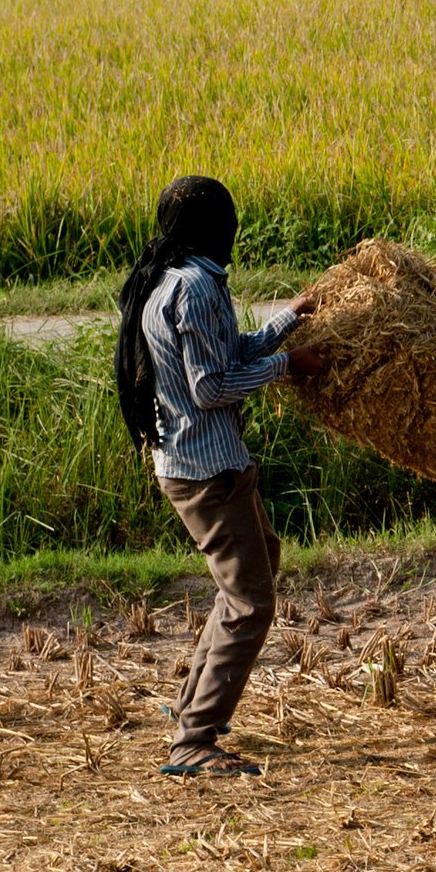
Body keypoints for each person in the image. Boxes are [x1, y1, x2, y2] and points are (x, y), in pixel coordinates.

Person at [114, 175, 322, 778]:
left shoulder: (171, 279)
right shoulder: (199, 288)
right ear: (216, 227)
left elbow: (229, 353)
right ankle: (194, 740)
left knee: (258, 566)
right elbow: (212, 388)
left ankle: (191, 708)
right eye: (228, 219)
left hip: (198, 463)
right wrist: (290, 365)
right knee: (252, 602)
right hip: (209, 470)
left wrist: (289, 318)